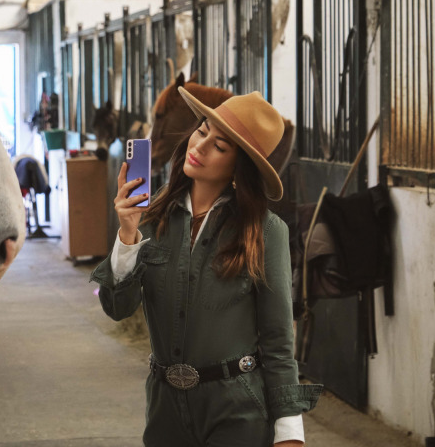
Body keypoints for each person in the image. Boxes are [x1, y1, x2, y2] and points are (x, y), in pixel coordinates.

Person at [91, 88, 323, 446]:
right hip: (164, 408)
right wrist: (127, 232)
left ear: (238, 167)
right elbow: (117, 308)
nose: (199, 147)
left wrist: (289, 433)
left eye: (220, 146)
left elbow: (278, 342)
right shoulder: (151, 219)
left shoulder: (264, 231)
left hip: (236, 407)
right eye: (202, 131)